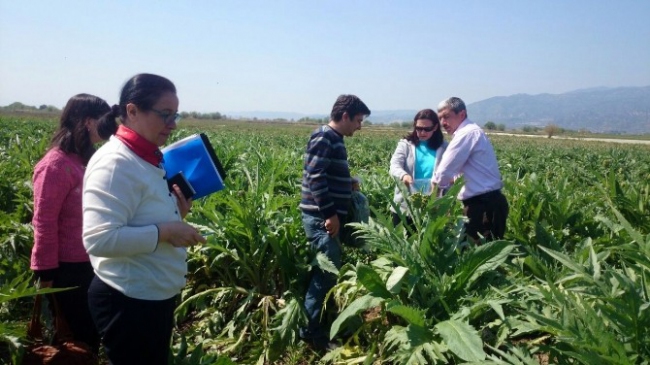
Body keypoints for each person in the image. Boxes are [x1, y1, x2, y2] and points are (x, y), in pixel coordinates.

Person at [83, 73, 207, 364]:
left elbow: (139, 215)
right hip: (127, 302)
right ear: (132, 111)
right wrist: (166, 231)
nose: (173, 124)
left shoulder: (146, 157)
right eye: (165, 114)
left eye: (175, 115)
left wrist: (177, 213)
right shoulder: (115, 163)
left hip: (150, 298)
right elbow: (99, 239)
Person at [30, 93, 118, 354]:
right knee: (74, 337)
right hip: (67, 268)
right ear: (88, 122)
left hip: (92, 261)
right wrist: (45, 271)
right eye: (104, 122)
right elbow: (44, 221)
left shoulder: (87, 160)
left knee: (88, 335)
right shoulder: (55, 165)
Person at [299, 94, 371, 350]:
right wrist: (330, 215)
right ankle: (311, 333)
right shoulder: (324, 137)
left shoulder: (334, 138)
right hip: (321, 219)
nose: (359, 126)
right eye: (358, 120)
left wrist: (346, 182)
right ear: (344, 116)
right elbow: (315, 177)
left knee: (327, 274)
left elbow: (324, 174)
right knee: (324, 276)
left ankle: (316, 327)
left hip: (326, 218)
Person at [432, 97, 509, 243]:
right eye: (440, 118)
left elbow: (442, 174)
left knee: (480, 257)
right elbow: (462, 175)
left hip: (484, 207)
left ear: (461, 114)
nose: (443, 123)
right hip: (486, 204)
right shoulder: (471, 131)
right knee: (479, 254)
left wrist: (433, 203)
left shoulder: (466, 133)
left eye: (446, 117)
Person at [389, 109, 448, 227]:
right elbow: (394, 165)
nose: (422, 132)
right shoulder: (405, 145)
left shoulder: (444, 148)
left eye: (427, 129)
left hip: (433, 205)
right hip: (404, 205)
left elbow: (452, 171)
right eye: (419, 128)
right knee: (403, 241)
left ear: (435, 127)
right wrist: (403, 175)